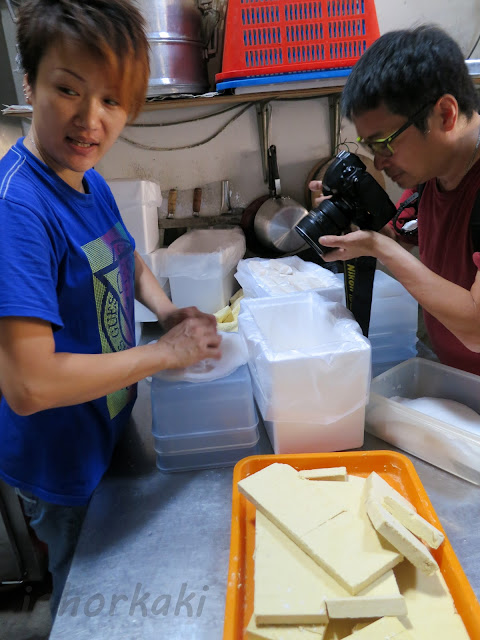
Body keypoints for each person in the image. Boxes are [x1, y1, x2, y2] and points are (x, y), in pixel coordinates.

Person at [0, 0, 221, 617]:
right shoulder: (17, 208)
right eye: (68, 89)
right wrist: (160, 353)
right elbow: (28, 383)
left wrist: (168, 311)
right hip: (59, 459)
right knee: (89, 603)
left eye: (112, 102)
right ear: (30, 84)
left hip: (106, 426)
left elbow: (127, 257)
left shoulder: (88, 179)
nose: (89, 120)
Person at [309, 25, 480, 375]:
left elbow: (477, 328)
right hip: (459, 385)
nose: (381, 162)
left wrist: (378, 248)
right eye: (371, 147)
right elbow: (403, 241)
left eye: (384, 143)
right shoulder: (430, 173)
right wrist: (355, 226)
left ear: (444, 115)